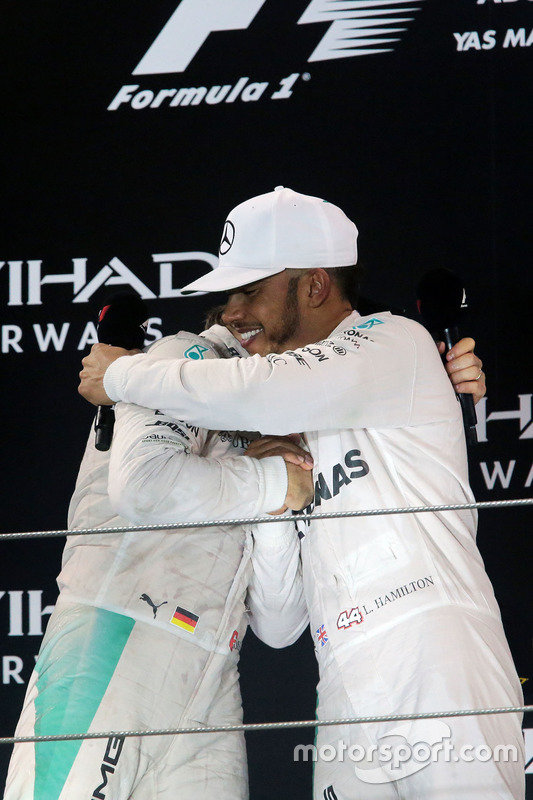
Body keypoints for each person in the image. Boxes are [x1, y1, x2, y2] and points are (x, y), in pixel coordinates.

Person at [78, 186, 524, 800]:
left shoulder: (396, 340)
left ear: (313, 286)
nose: (232, 313)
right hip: (341, 687)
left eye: (251, 291)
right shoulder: (284, 417)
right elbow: (282, 622)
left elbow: (259, 386)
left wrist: (124, 374)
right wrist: (273, 494)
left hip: (435, 656)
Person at [3, 323, 310, 800]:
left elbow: (280, 625)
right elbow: (146, 486)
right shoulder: (181, 358)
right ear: (252, 328)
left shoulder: (278, 428)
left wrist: (274, 495)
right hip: (116, 636)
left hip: (213, 679)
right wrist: (265, 476)